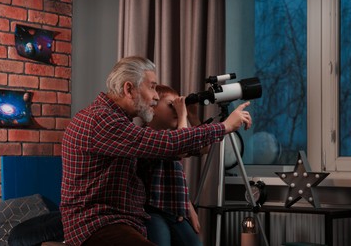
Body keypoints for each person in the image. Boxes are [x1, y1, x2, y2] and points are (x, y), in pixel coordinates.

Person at [60, 56, 252, 245]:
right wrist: (224, 127)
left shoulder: (115, 120)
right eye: (152, 86)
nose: (156, 95)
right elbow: (168, 144)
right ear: (129, 89)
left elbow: (180, 148)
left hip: (123, 220)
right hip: (96, 223)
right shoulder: (102, 120)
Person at [137, 85, 205, 246]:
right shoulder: (146, 136)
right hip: (152, 211)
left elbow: (203, 148)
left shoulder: (173, 136)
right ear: (152, 108)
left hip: (176, 211)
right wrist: (182, 114)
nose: (177, 109)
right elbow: (181, 146)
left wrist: (193, 117)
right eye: (171, 105)